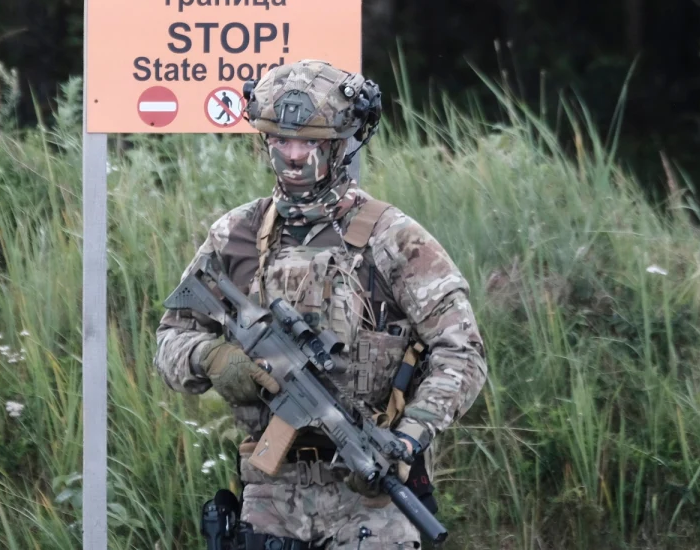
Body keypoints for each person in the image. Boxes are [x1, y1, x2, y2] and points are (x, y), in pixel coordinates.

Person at [155, 59, 487, 549]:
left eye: (308, 142)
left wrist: (408, 437)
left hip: (369, 504)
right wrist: (214, 358)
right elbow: (170, 338)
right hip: (270, 497)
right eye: (279, 141)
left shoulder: (393, 239)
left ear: (336, 145)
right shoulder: (237, 235)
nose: (292, 155)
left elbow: (463, 353)